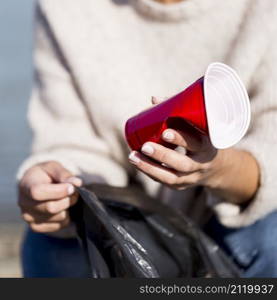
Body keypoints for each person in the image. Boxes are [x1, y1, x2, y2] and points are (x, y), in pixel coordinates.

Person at [17, 0, 277, 277]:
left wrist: (219, 168)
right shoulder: (66, 8)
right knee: (48, 246)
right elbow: (75, 140)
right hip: (131, 214)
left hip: (236, 222)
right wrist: (55, 182)